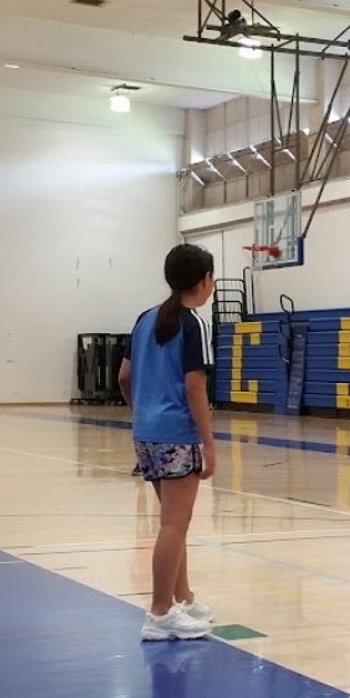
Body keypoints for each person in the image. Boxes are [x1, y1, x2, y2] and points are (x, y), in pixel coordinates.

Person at [119, 244, 218, 641]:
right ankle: (160, 613)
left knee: (172, 523)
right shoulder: (194, 324)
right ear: (205, 280)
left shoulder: (145, 319)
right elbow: (195, 387)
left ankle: (183, 598)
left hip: (146, 433)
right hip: (177, 433)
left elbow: (125, 377)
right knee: (175, 525)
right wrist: (210, 444)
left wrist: (142, 412)